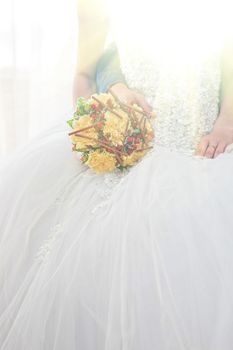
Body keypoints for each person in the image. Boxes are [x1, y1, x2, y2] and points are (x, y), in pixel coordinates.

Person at [1, 0, 233, 349]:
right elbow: (83, 75)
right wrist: (105, 107)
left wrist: (226, 123)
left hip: (205, 149)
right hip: (127, 156)